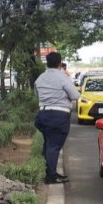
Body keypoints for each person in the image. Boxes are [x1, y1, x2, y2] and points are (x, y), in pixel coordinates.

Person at [34, 52, 81, 184]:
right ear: (60, 64)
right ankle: (51, 177)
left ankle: (49, 171)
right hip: (59, 117)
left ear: (46, 63)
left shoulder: (40, 78)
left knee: (48, 144)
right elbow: (75, 96)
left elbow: (37, 95)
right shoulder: (62, 77)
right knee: (54, 147)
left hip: (42, 116)